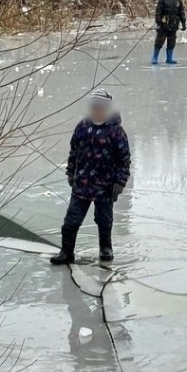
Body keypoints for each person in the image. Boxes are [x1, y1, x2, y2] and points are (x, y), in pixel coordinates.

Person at [50, 89, 131, 266]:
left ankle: (105, 248)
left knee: (104, 221)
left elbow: (124, 160)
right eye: (94, 107)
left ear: (107, 108)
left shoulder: (116, 131)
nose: (97, 110)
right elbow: (73, 152)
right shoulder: (82, 126)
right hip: (82, 184)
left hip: (106, 186)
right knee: (71, 221)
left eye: (101, 107)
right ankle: (66, 252)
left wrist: (120, 181)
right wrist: (71, 172)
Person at [152, 0, 187, 65]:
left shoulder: (178, 0)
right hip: (163, 26)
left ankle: (169, 58)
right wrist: (159, 23)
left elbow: (181, 12)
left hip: (174, 26)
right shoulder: (163, 0)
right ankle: (155, 57)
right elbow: (158, 13)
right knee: (159, 42)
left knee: (171, 43)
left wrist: (183, 23)